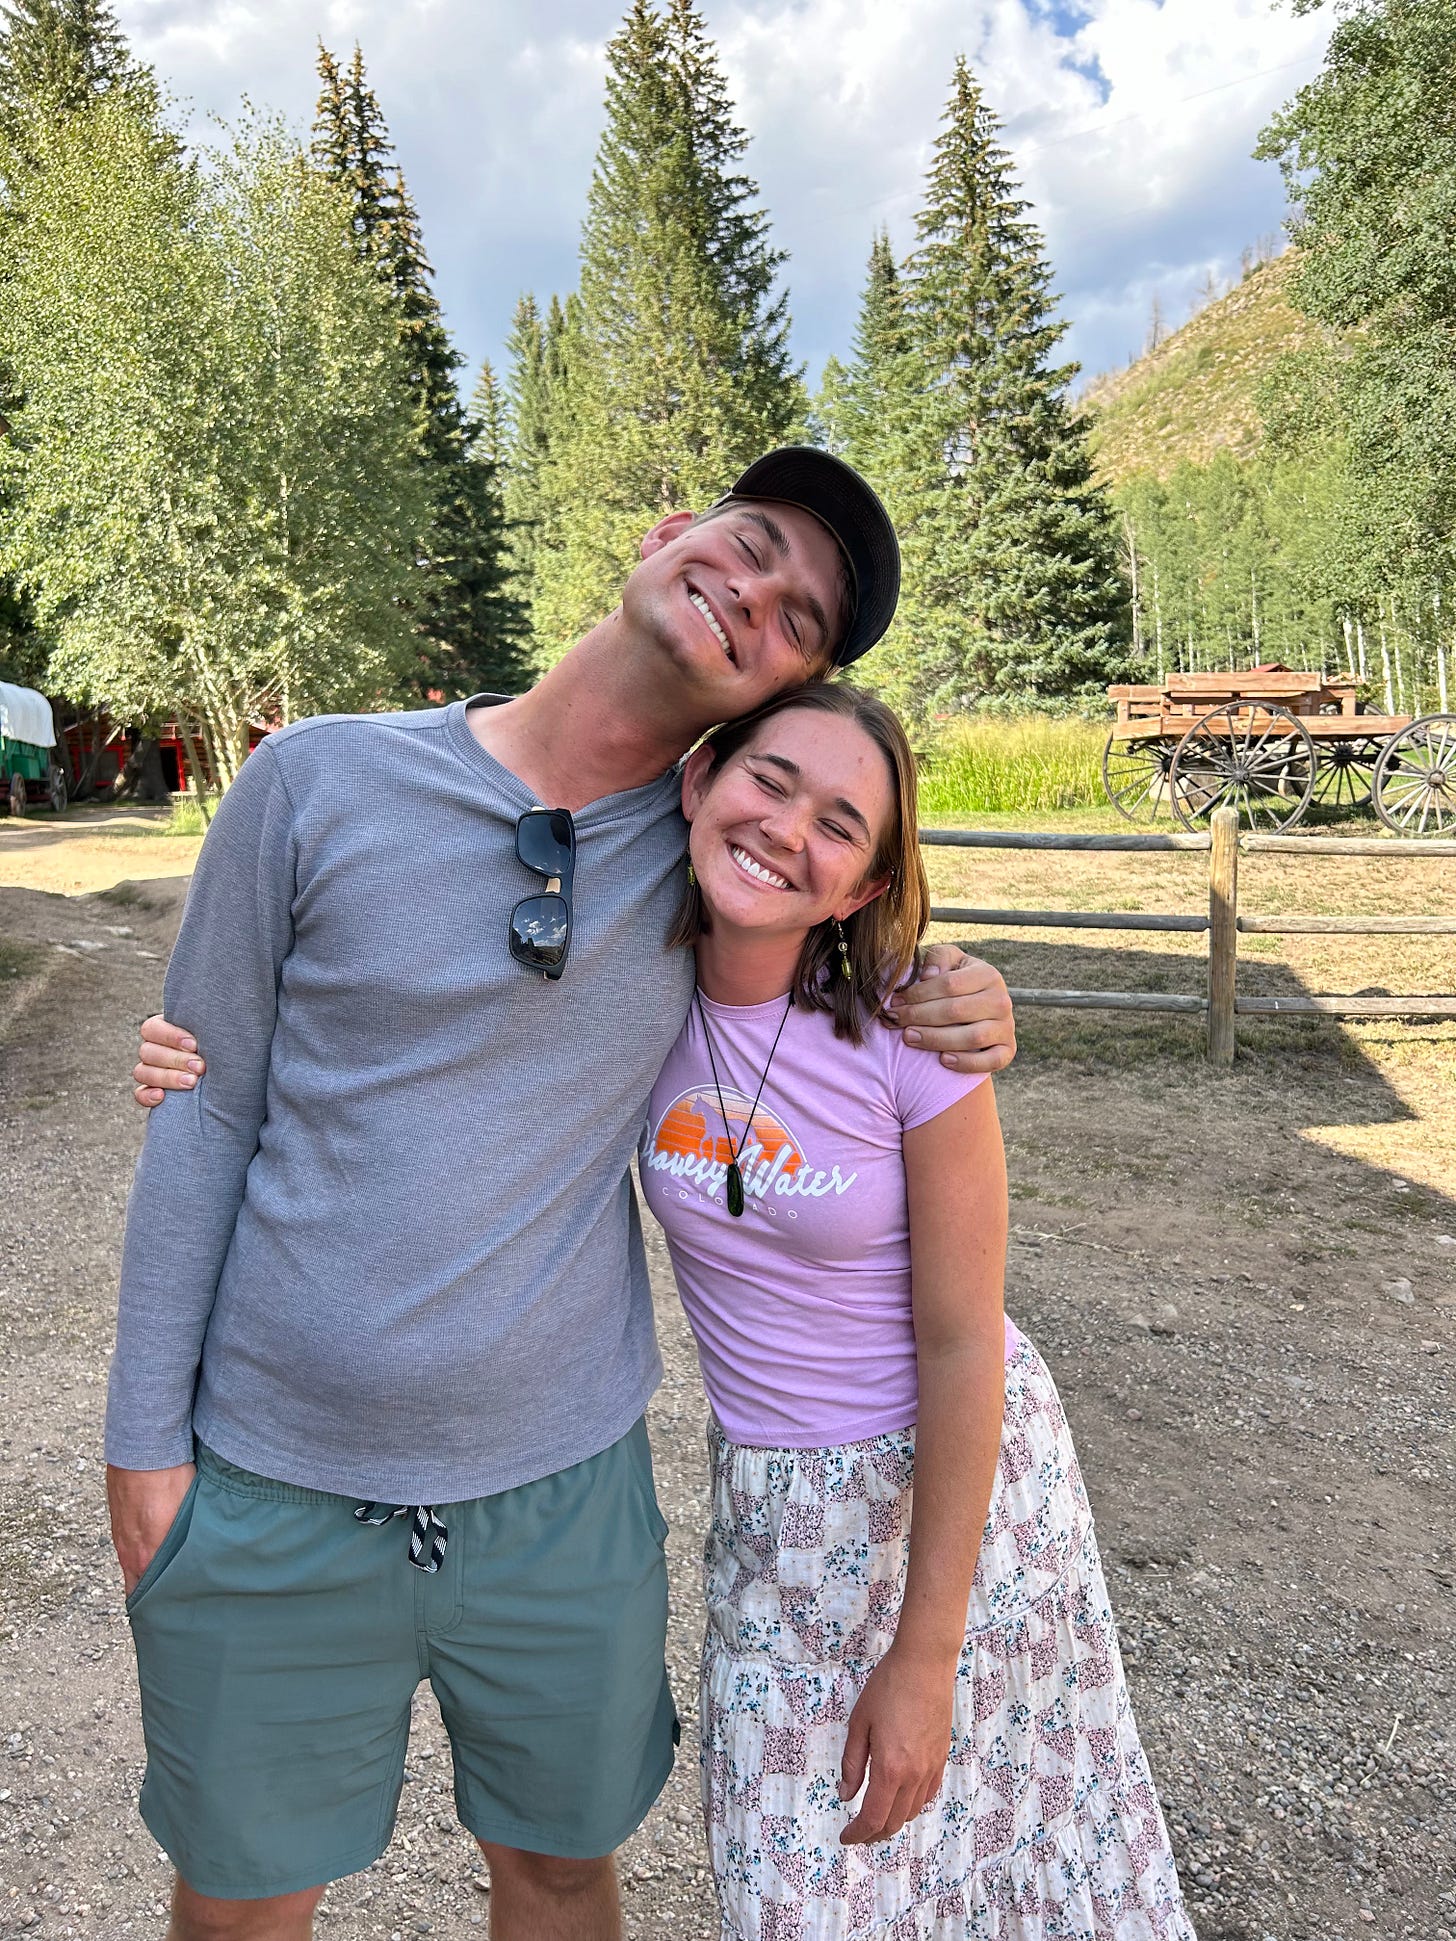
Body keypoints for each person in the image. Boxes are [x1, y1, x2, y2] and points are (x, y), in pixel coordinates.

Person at [114, 447, 1018, 1941]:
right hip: (273, 1473)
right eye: (752, 546)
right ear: (669, 537)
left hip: (561, 1500)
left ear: (773, 695)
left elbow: (835, 935)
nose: (757, 596)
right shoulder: (313, 781)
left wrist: (969, 995)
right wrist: (142, 1438)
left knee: (557, 1873)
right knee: (241, 1899)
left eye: (799, 617)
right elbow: (205, 1099)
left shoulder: (711, 850)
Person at [643, 679, 1194, 1937]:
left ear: (863, 888)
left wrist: (926, 1652)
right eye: (769, 779)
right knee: (792, 1885)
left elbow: (960, 1340)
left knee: (1005, 1863)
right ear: (698, 780)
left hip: (951, 1496)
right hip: (771, 1509)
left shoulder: (914, 1031)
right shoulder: (624, 1004)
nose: (788, 830)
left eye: (839, 825)